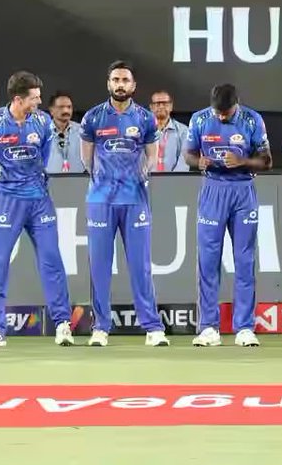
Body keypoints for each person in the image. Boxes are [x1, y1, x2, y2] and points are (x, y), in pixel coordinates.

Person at [0, 71, 73, 347]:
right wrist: (4, 183)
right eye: (35, 98)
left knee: (51, 259)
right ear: (18, 99)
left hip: (39, 199)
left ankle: (63, 324)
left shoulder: (42, 122)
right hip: (6, 199)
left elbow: (42, 156)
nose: (39, 102)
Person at [79, 61, 169, 348]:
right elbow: (86, 158)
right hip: (101, 201)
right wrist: (104, 182)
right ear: (108, 83)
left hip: (135, 200)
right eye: (115, 79)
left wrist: (144, 171)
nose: (120, 84)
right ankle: (100, 328)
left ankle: (153, 327)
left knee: (140, 266)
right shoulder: (93, 118)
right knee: (100, 267)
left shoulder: (144, 118)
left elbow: (152, 156)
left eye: (125, 80)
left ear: (133, 85)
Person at [184, 84, 271, 347]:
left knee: (244, 260)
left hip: (243, 190)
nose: (221, 116)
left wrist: (243, 161)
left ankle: (244, 327)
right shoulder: (199, 119)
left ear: (237, 104)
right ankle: (209, 327)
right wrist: (197, 162)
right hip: (212, 190)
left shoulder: (251, 120)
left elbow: (266, 160)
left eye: (226, 112)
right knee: (208, 261)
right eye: (218, 112)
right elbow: (188, 154)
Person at [148, 90, 188, 173]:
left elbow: (184, 161)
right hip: (147, 181)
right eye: (157, 104)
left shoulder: (183, 131)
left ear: (171, 106)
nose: (161, 106)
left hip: (174, 182)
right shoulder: (143, 130)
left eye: (165, 103)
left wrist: (172, 181)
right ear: (151, 107)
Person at [46, 91, 85, 174]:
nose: (66, 110)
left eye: (69, 107)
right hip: (50, 182)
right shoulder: (42, 132)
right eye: (61, 107)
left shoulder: (82, 131)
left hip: (79, 181)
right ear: (51, 110)